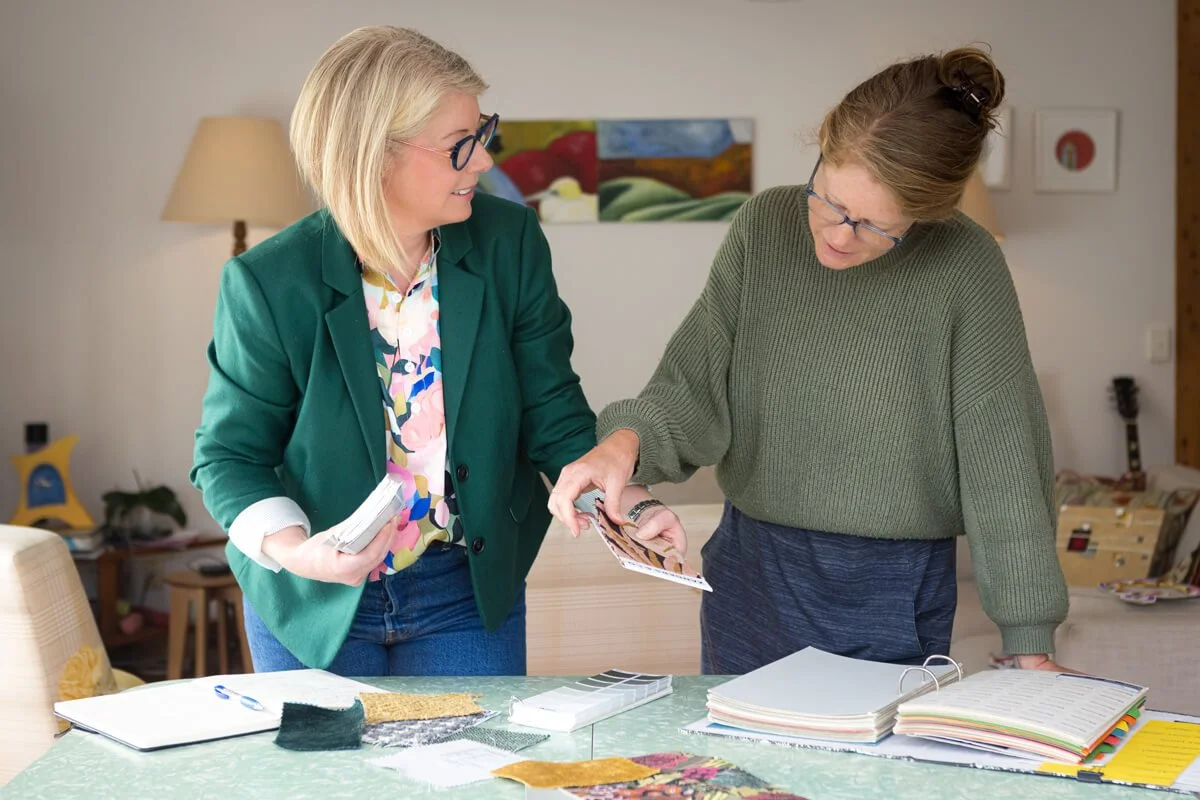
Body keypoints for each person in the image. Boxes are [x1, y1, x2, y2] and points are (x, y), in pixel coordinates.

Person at [548, 47, 1071, 675]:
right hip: (752, 566)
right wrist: (623, 445)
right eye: (827, 199)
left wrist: (1029, 636)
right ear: (820, 149)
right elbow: (693, 385)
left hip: (893, 583)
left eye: (875, 226)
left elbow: (1004, 455)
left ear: (926, 215)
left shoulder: (967, 264)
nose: (838, 234)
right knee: (739, 769)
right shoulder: (765, 224)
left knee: (870, 772)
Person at [191, 26, 665, 677]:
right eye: (459, 147)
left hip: (463, 589)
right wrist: (301, 552)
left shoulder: (509, 243)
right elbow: (229, 456)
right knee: (335, 783)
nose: (483, 162)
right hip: (315, 597)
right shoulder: (269, 282)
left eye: (483, 133)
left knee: (470, 777)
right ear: (373, 155)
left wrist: (627, 505)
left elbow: (551, 409)